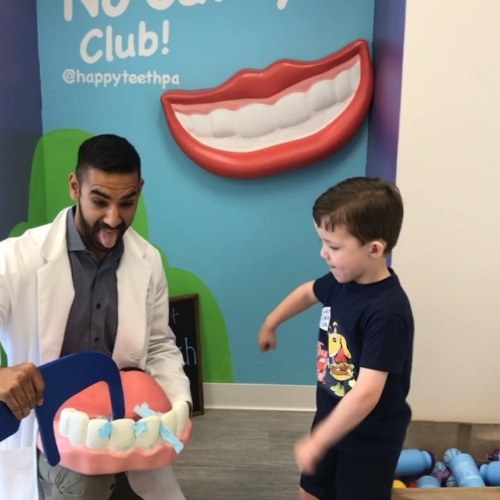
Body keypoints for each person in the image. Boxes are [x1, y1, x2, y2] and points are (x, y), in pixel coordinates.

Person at [0, 134, 192, 500]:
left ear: (140, 189)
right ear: (75, 186)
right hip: (47, 431)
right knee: (87, 486)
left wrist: (177, 405)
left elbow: (158, 344)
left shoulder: (147, 260)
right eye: (99, 201)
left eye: (127, 202)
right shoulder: (16, 259)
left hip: (122, 426)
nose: (113, 218)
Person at [258, 177, 414, 500]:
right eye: (323, 242)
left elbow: (367, 394)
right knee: (311, 491)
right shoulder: (342, 281)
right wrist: (272, 322)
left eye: (334, 246)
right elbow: (306, 293)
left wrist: (319, 440)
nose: (323, 253)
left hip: (370, 440)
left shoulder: (387, 311)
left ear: (374, 248)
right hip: (330, 418)